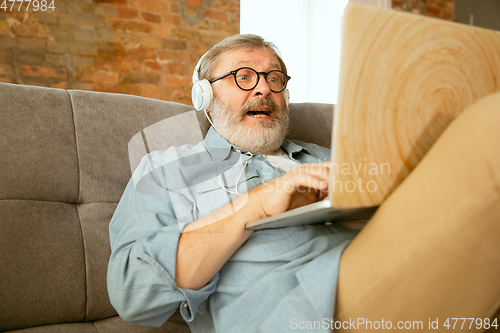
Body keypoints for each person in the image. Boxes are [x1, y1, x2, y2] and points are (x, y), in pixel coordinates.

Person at [107, 34, 500, 332]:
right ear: (203, 95)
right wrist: (257, 205)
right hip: (304, 309)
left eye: (274, 78)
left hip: (393, 260)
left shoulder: (328, 156)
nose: (263, 88)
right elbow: (134, 293)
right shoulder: (166, 168)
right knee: (491, 124)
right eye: (243, 76)